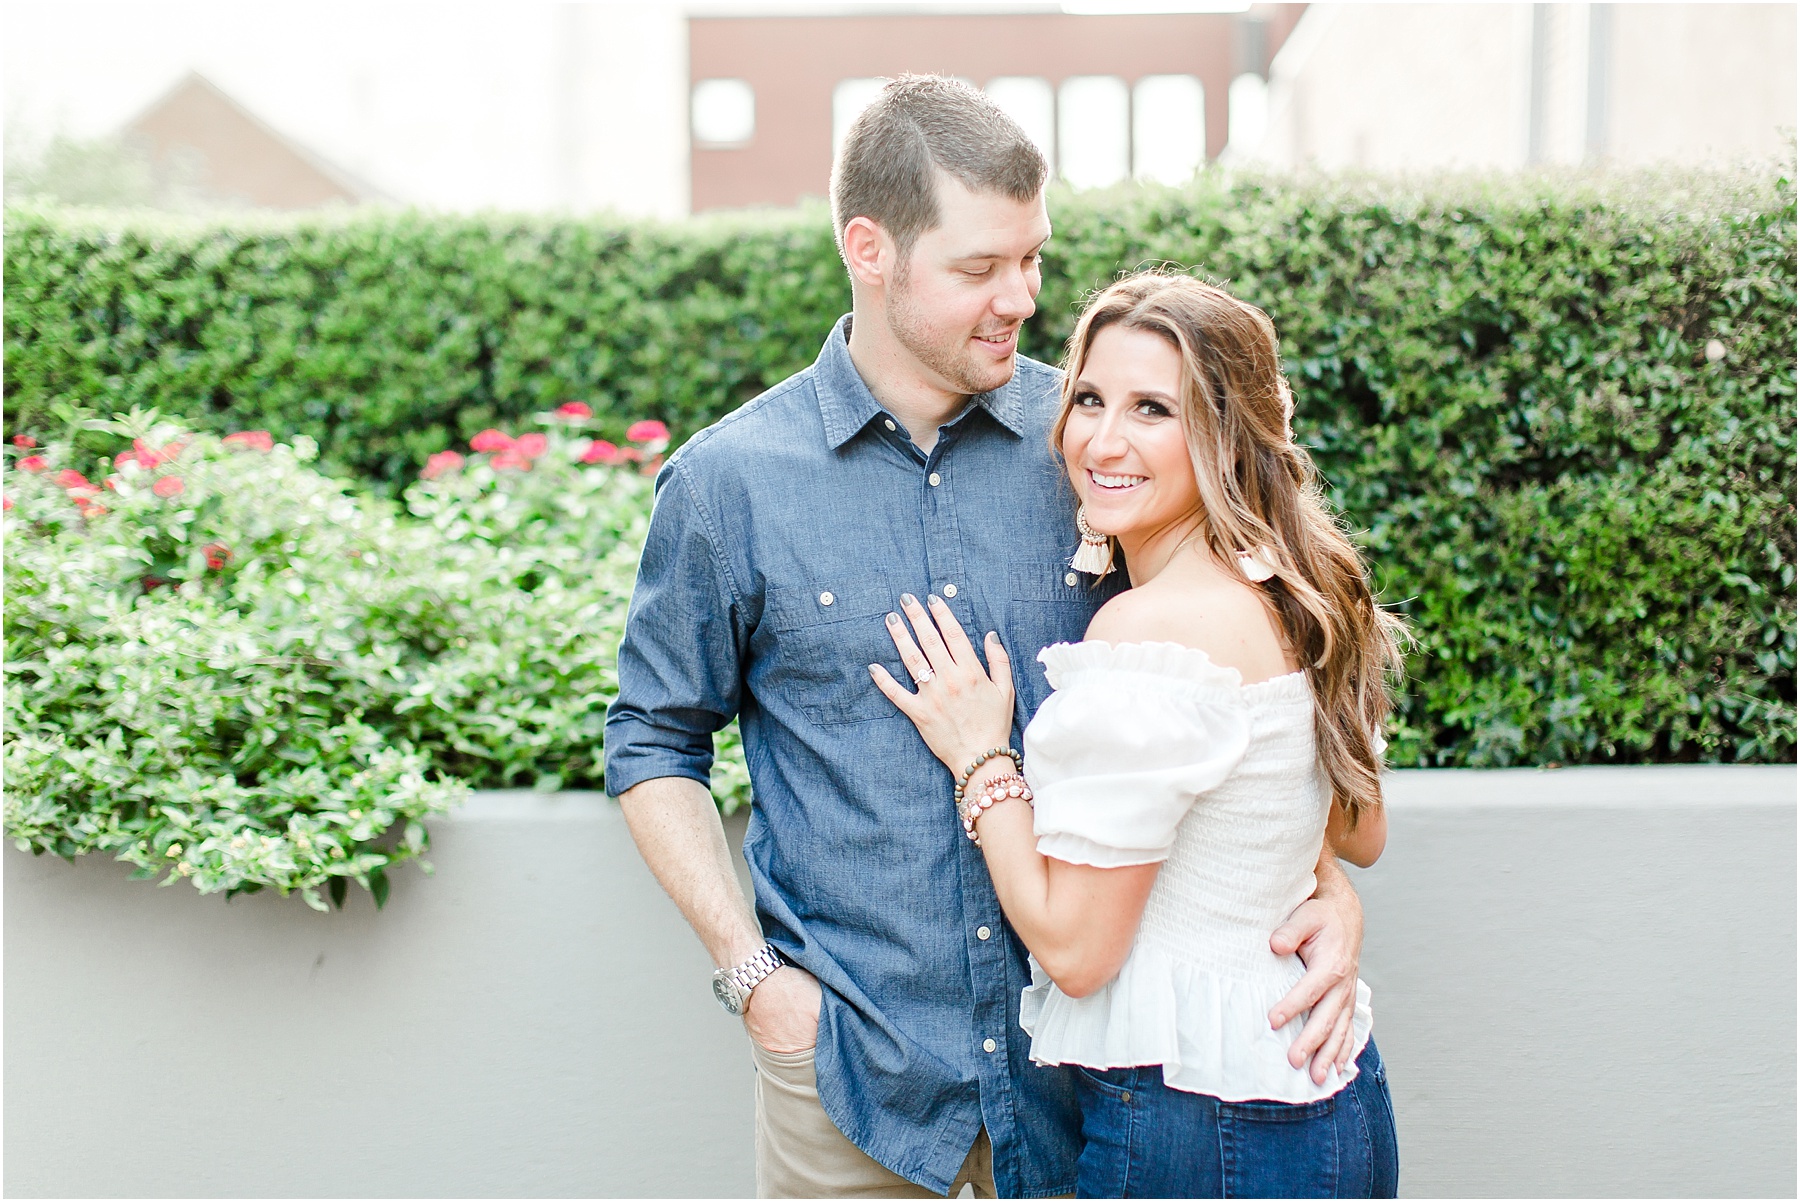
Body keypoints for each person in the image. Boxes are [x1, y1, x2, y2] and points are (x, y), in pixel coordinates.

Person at [605, 76, 1372, 1199]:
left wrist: (1314, 881)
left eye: (1034, 259)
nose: (1020, 296)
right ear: (870, 249)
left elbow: (1247, 677)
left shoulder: (1099, 447)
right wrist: (754, 975)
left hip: (1087, 1083)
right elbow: (653, 740)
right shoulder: (730, 486)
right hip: (854, 1078)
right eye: (980, 268)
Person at [867, 271, 1404, 1198]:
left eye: (1153, 409)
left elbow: (1076, 953)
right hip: (1332, 1099)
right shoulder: (1296, 589)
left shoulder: (1149, 632)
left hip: (1200, 1127)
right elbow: (1357, 832)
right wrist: (1323, 893)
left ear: (1226, 434)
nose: (1102, 442)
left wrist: (983, 759)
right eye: (1087, 399)